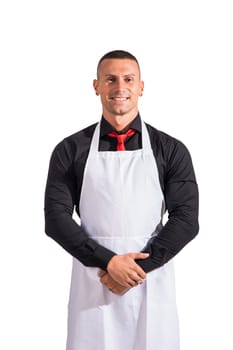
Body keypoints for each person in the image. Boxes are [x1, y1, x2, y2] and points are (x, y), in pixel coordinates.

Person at [44, 50, 199, 350]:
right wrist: (108, 262)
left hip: (152, 284)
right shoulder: (70, 150)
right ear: (96, 86)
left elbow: (186, 219)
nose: (120, 88)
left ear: (141, 86)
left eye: (128, 79)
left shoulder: (170, 150)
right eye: (110, 79)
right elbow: (56, 219)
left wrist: (135, 271)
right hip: (94, 282)